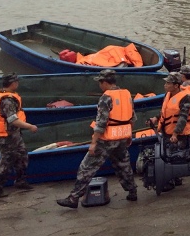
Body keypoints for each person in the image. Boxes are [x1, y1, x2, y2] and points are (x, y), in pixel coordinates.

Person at [56, 69, 137, 208]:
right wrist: (128, 135)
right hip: (122, 137)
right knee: (123, 165)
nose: (99, 85)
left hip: (106, 139)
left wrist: (93, 143)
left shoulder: (106, 98)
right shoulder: (127, 94)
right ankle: (132, 191)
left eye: (100, 82)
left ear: (105, 82)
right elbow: (132, 118)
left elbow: (101, 123)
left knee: (86, 167)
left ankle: (74, 198)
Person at [0, 73, 38, 198]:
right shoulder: (7, 101)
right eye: (16, 82)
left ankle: (20, 181)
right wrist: (30, 126)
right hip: (7, 136)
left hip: (15, 135)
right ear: (13, 84)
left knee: (22, 155)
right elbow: (13, 120)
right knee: (5, 164)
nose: (18, 84)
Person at [148, 72, 190, 191]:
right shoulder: (168, 95)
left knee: (175, 157)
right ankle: (175, 179)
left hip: (179, 134)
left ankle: (172, 180)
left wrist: (175, 134)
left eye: (168, 83)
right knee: (168, 155)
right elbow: (165, 111)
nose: (165, 85)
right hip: (167, 131)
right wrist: (155, 118)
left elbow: (183, 117)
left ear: (176, 85)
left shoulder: (185, 97)